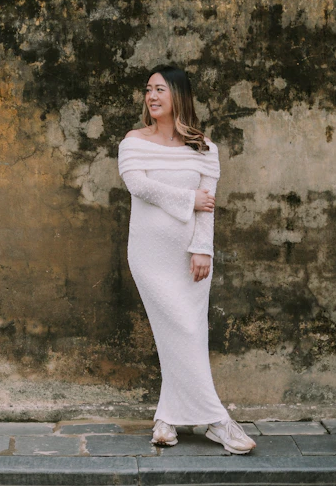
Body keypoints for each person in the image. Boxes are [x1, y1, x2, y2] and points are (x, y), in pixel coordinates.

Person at [117, 65, 256, 454]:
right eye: (148, 90)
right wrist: (187, 199)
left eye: (160, 89)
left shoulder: (205, 149)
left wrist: (202, 249)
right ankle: (217, 421)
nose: (152, 96)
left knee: (186, 335)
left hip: (190, 258)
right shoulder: (133, 142)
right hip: (149, 255)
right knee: (183, 331)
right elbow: (138, 185)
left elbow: (207, 208)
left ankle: (166, 419)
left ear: (179, 95)